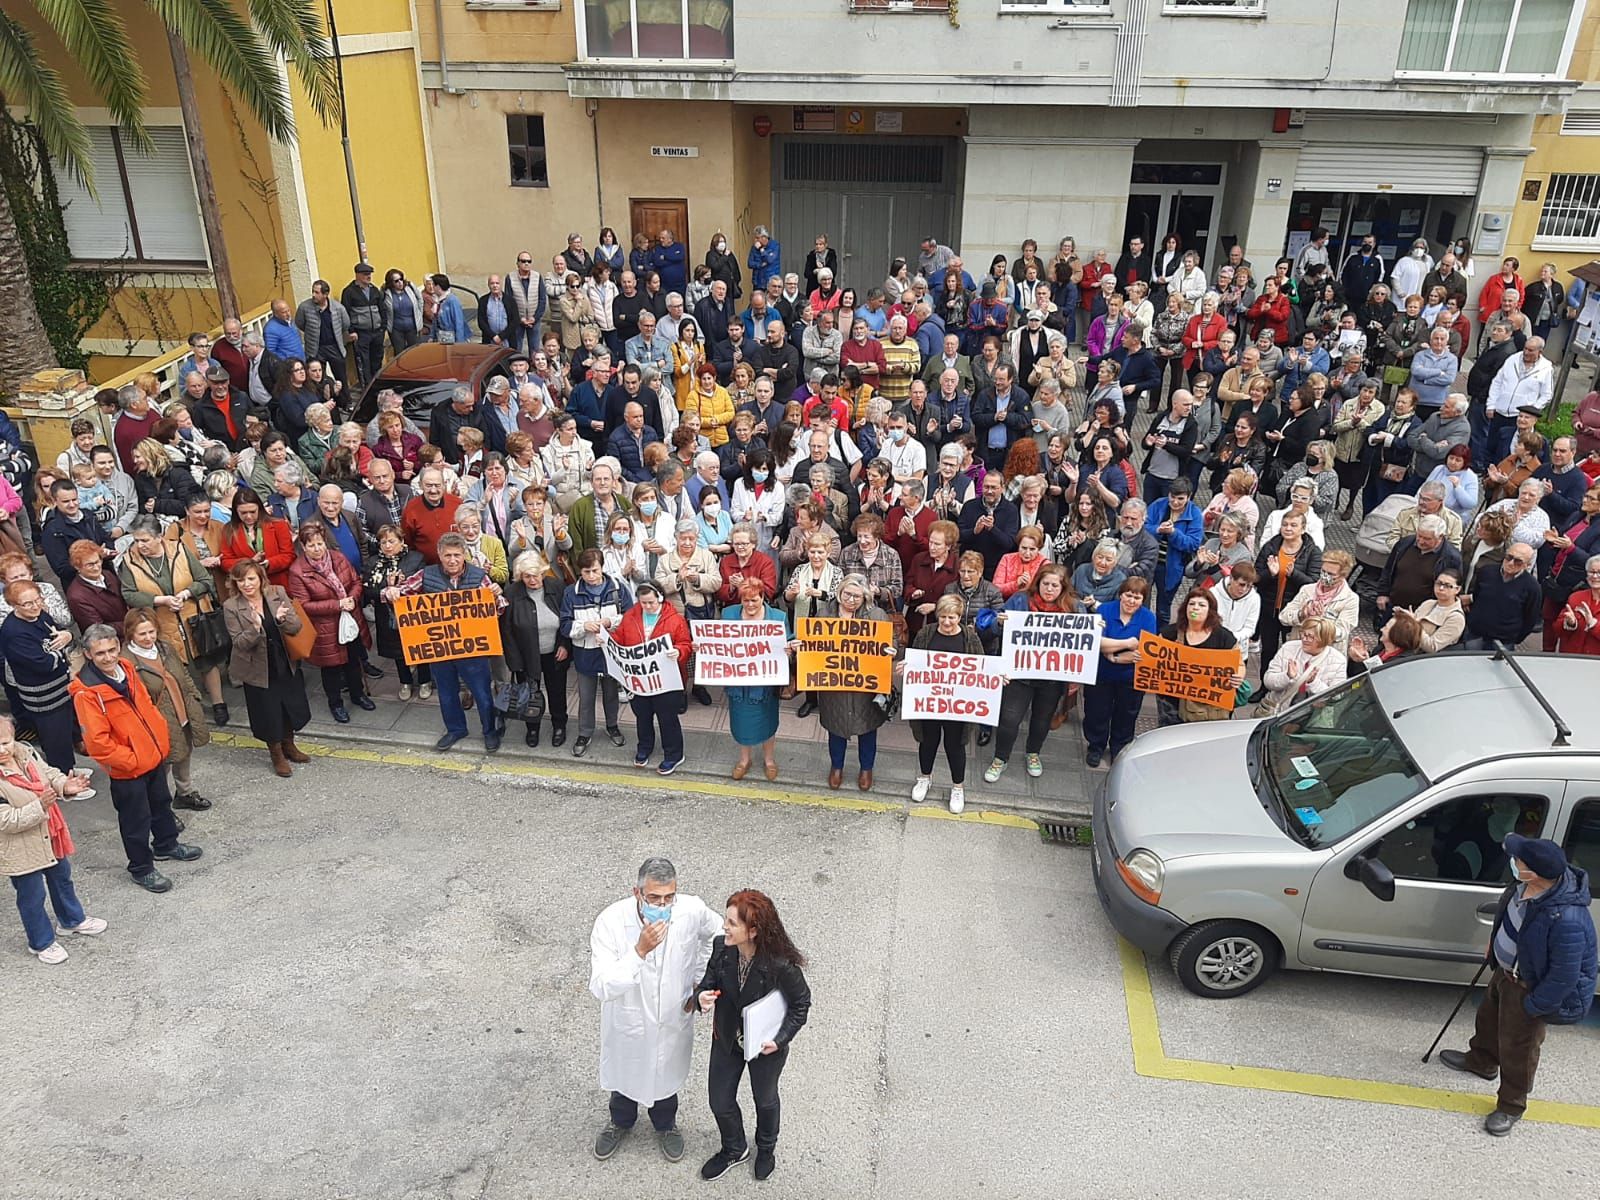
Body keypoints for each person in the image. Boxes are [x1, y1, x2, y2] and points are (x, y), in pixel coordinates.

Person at [1437, 835, 1596, 1137]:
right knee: (1487, 1020)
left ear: (1533, 872)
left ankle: (1511, 1106)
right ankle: (1481, 1062)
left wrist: (1533, 1007)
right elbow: (1511, 920)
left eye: (1518, 860)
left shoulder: (1568, 919)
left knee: (1519, 1050)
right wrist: (1496, 945)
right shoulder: (1523, 887)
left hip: (1528, 989)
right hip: (1505, 973)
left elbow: (1565, 975)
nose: (1513, 862)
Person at [590, 857, 722, 1165]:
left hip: (672, 1017)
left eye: (668, 898)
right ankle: (620, 1122)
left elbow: (718, 937)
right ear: (637, 893)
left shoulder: (691, 910)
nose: (662, 905)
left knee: (665, 1075)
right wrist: (639, 952)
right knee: (627, 1074)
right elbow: (601, 986)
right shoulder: (610, 921)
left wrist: (700, 981)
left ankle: (666, 1125)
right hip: (630, 1020)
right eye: (653, 898)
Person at [71, 624, 203, 891]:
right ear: (88, 654)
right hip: (128, 769)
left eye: (111, 650)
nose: (108, 658)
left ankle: (166, 845)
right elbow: (98, 743)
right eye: (100, 654)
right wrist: (132, 760)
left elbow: (148, 707)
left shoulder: (127, 669)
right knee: (136, 821)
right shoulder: (87, 693)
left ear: (118, 647)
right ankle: (141, 868)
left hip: (151, 756)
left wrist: (160, 742)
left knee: (161, 804)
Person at [693, 889, 812, 1182]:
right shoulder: (722, 947)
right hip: (727, 1039)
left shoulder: (781, 965)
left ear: (754, 930)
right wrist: (701, 998)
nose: (724, 927)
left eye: (732, 923)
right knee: (719, 1100)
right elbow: (707, 982)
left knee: (765, 1099)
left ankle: (766, 1148)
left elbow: (800, 1004)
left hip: (764, 1045)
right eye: (726, 920)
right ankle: (734, 1148)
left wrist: (780, 1039)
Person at [0, 712, 103, 963]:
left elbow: (49, 773)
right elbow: (6, 820)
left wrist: (65, 786)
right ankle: (41, 942)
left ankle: (71, 920)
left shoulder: (26, 753)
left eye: (5, 742)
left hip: (50, 834)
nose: (2, 749)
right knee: (32, 896)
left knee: (62, 880)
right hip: (20, 848)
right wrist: (41, 806)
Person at [985, 564, 1074, 781]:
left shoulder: (1073, 607)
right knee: (1009, 719)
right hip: (1019, 675)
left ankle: (1033, 753)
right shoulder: (1019, 600)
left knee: (1042, 719)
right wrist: (999, 622)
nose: (1050, 589)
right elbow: (994, 629)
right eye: (1046, 584)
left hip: (1051, 677)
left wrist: (1096, 626)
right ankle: (1000, 758)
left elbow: (1083, 638)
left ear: (1063, 588)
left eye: (1055, 585)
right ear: (1038, 583)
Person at [224, 560, 312, 777]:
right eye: (241, 580)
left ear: (260, 578)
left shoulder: (277, 593)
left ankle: (289, 745)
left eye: (251, 578)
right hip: (257, 669)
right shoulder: (231, 606)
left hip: (283, 661)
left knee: (290, 706)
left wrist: (281, 620)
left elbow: (296, 626)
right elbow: (239, 643)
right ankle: (276, 755)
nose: (247, 584)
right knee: (268, 712)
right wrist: (255, 629)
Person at [122, 607, 212, 813]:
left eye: (151, 631)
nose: (148, 637)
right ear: (130, 634)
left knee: (184, 752)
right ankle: (161, 808)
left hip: (182, 710)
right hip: (158, 720)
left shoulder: (165, 647)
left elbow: (184, 673)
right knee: (162, 765)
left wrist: (194, 696)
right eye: (142, 633)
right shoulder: (126, 661)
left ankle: (185, 793)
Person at [287, 522, 373, 724]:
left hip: (350, 618)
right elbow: (304, 605)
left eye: (319, 543)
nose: (317, 549)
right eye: (311, 545)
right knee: (332, 668)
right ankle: (335, 703)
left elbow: (355, 582)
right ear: (303, 546)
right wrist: (337, 605)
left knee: (353, 660)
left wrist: (352, 598)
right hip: (325, 627)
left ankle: (358, 695)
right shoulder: (297, 571)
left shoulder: (338, 558)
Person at [903, 594, 983, 814]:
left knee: (955, 746)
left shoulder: (970, 639)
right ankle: (924, 778)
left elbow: (982, 669)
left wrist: (998, 678)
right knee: (928, 742)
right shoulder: (925, 634)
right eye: (943, 617)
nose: (947, 622)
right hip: (930, 703)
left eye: (952, 617)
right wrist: (906, 667)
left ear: (960, 617)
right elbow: (915, 661)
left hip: (957, 707)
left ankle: (958, 787)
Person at [815, 573, 892, 791]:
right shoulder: (824, 615)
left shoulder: (877, 615)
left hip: (865, 687)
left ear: (865, 597)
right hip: (835, 686)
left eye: (857, 597)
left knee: (868, 729)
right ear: (839, 593)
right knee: (835, 728)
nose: (851, 600)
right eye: (847, 595)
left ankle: (866, 768)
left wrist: (890, 650)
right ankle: (836, 766)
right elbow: (815, 646)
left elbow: (889, 641)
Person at [611, 581, 691, 774]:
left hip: (667, 681)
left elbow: (686, 643)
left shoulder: (676, 620)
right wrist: (608, 639)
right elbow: (620, 638)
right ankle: (644, 747)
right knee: (642, 716)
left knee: (667, 718)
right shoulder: (631, 615)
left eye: (651, 603)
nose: (646, 607)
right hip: (641, 681)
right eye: (643, 603)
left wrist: (679, 652)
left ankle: (674, 754)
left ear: (661, 599)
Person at [0, 581, 78, 773]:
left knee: (65, 731)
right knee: (55, 738)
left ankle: (70, 769)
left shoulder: (39, 615)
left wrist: (67, 636)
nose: (35, 606)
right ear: (13, 605)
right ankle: (63, 778)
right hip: (44, 697)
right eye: (27, 604)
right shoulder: (13, 632)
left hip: (60, 688)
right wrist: (62, 651)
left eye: (38, 600)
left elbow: (59, 633)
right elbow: (44, 664)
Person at [559, 548, 630, 757]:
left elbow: (630, 617)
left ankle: (612, 726)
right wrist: (583, 627)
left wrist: (610, 622)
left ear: (602, 568)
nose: (591, 576)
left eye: (595, 571)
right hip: (585, 654)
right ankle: (585, 732)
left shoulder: (618, 588)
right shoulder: (571, 593)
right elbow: (564, 625)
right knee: (586, 697)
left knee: (611, 695)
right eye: (586, 572)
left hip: (611, 653)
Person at [1083, 577, 1158, 767]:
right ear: (1121, 594)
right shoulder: (1104, 610)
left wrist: (1114, 656)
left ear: (1143, 600)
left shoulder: (1148, 617)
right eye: (1128, 595)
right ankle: (1096, 746)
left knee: (1126, 714)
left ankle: (1119, 746)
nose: (1131, 601)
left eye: (1137, 597)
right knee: (1096, 711)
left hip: (1131, 677)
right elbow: (1096, 641)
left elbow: (1144, 649)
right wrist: (1126, 645)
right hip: (1101, 673)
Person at [723, 578, 785, 782]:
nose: (750, 604)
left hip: (765, 684)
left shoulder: (778, 617)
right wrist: (703, 647)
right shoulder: (728, 614)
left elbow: (789, 643)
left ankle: (769, 760)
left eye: (754, 600)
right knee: (741, 722)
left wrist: (790, 650)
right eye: (746, 600)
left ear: (763, 597)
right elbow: (718, 644)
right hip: (739, 684)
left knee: (767, 722)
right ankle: (744, 760)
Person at [1155, 587, 1243, 727]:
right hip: (1171, 704)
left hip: (1208, 708)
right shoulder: (1169, 634)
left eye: (1201, 605)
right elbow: (1154, 660)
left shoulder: (1224, 637)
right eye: (1191, 604)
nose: (1195, 608)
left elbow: (1239, 664)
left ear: (1210, 611)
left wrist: (1238, 676)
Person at [365, 524, 431, 701]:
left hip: (413, 614)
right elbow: (367, 590)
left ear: (401, 542)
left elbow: (423, 585)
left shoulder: (416, 559)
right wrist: (385, 590)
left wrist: (402, 587)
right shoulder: (372, 562)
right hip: (387, 615)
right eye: (383, 542)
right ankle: (405, 682)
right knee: (397, 651)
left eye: (392, 541)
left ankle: (425, 680)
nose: (387, 546)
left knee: (419, 647)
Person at [1255, 510, 1322, 666]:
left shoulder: (1312, 552)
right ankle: (1265, 687)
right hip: (1269, 608)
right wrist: (1270, 574)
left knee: (1292, 652)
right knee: (1268, 650)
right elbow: (1256, 577)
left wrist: (1294, 574)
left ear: (1303, 529)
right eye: (1285, 525)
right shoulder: (1271, 547)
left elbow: (1313, 584)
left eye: (1293, 525)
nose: (1288, 528)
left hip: (1295, 612)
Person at [1258, 617, 1347, 716]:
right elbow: (1268, 681)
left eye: (1310, 636)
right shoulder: (1288, 648)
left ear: (1324, 638)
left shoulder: (1338, 660)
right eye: (1303, 634)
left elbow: (1336, 696)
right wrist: (1287, 676)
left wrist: (1313, 683)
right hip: (1279, 712)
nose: (1304, 639)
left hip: (1312, 717)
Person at [1462, 540, 1540, 650]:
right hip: (1475, 634)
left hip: (1503, 641)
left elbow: (1530, 618)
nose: (1511, 563)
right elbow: (1476, 595)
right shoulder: (1486, 572)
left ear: (1527, 565)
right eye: (1509, 557)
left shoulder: (1532, 587)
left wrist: (1515, 638)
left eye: (1518, 561)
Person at [1556, 555, 1600, 656]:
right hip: (1571, 658)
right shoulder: (1576, 597)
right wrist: (1570, 623)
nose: (1595, 576)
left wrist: (1593, 624)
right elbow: (1557, 629)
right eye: (1591, 572)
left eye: (1599, 573)